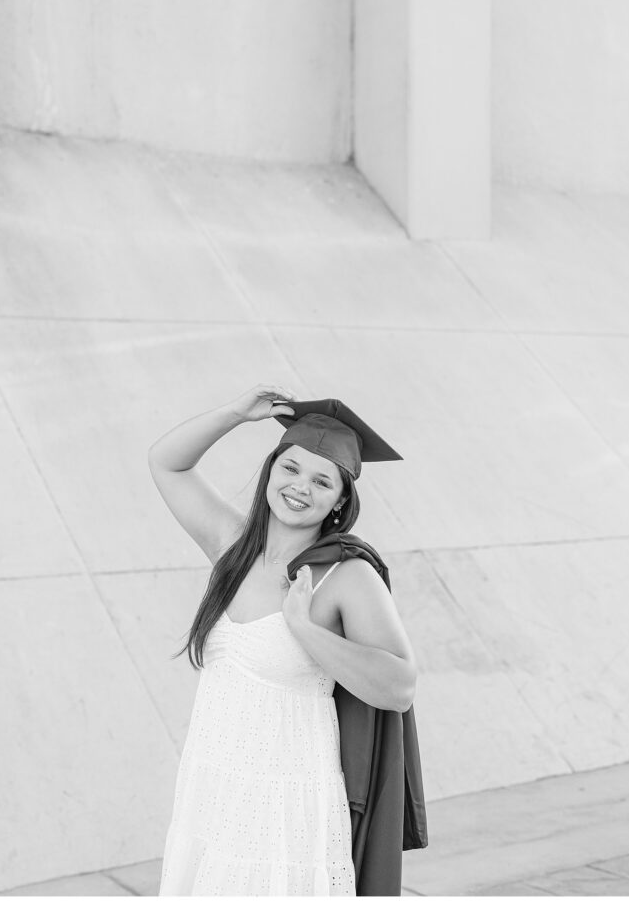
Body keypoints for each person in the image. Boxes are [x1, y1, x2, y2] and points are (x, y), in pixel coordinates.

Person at [151, 384, 419, 896]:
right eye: (290, 468)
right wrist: (234, 413)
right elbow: (166, 463)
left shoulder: (344, 576)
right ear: (270, 470)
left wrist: (304, 628)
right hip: (215, 780)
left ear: (342, 501)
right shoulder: (232, 547)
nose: (300, 487)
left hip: (286, 798)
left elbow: (399, 686)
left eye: (324, 481)